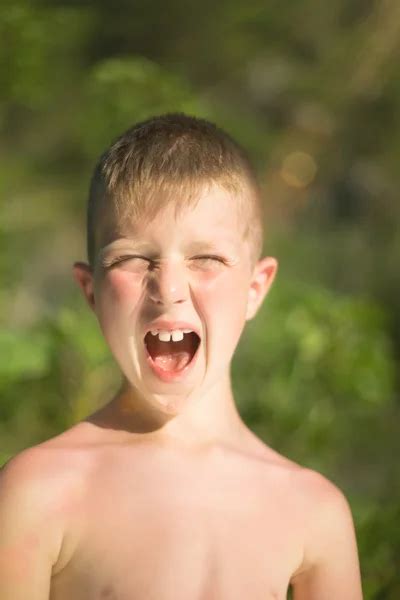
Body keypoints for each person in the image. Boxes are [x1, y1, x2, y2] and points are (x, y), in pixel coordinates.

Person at [0, 113, 363, 599]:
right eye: (132, 259)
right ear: (91, 291)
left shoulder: (315, 512)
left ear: (256, 288)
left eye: (207, 259)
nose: (168, 290)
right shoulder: (39, 491)